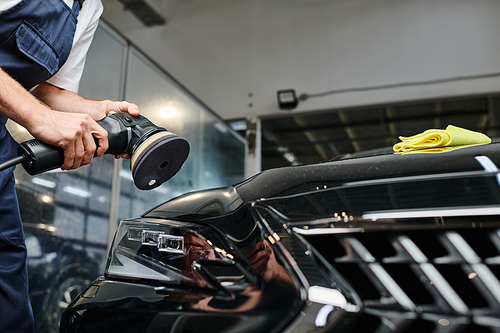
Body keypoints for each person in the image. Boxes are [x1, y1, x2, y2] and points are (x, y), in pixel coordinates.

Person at [0, 0, 139, 331]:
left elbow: (47, 91)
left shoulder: (90, 9)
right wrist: (40, 118)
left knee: (9, 301)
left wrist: (99, 110)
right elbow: (40, 108)